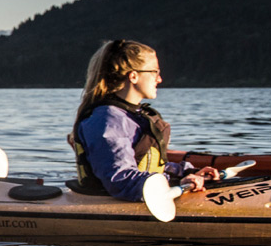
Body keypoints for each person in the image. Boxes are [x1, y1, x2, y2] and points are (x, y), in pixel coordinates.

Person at [71, 39, 219, 200]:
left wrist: (187, 172)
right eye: (154, 72)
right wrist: (175, 183)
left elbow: (147, 166)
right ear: (133, 76)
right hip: (110, 200)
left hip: (143, 192)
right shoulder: (107, 121)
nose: (159, 79)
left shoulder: (134, 116)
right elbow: (120, 179)